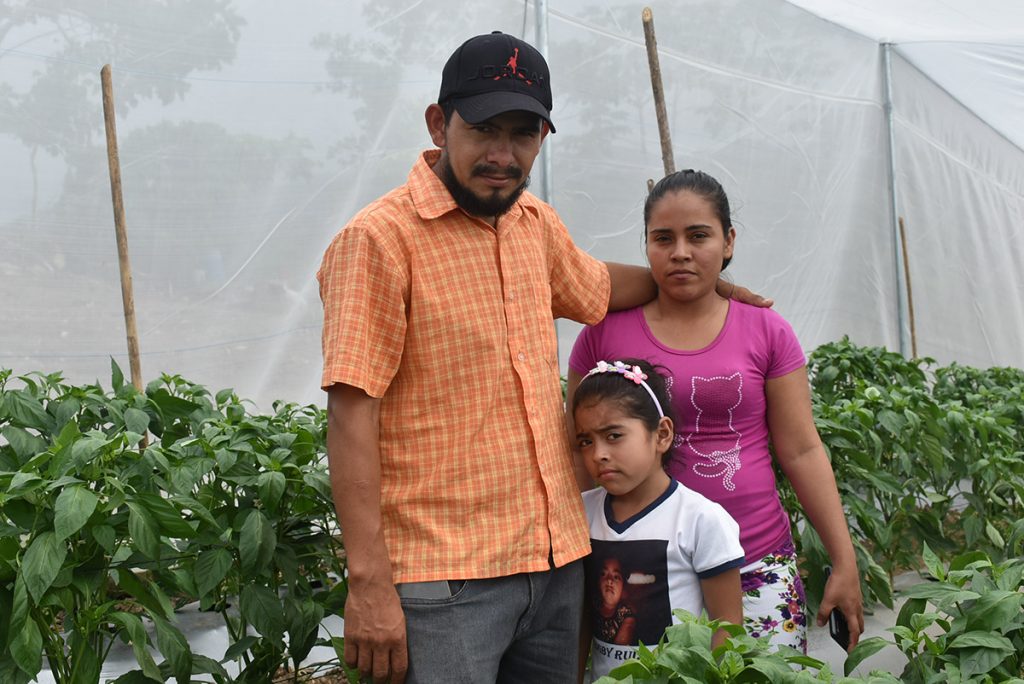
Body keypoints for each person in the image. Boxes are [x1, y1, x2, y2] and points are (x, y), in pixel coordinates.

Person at [318, 32, 768, 683]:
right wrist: (368, 584)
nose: (504, 154)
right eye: (484, 130)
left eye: (524, 134)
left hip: (554, 564)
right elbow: (351, 415)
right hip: (447, 582)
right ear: (440, 125)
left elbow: (598, 285)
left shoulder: (534, 224)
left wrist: (692, 277)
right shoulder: (379, 242)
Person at [567, 170, 864, 655]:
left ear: (728, 242)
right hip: (641, 567)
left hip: (756, 560)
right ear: (646, 246)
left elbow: (802, 448)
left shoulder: (766, 330)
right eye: (663, 238)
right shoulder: (602, 333)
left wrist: (844, 559)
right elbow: (576, 449)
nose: (680, 252)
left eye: (698, 236)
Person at [575, 359, 744, 681]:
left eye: (613, 435)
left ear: (662, 435)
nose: (598, 454)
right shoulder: (581, 514)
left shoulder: (700, 519)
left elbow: (728, 627)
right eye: (586, 441)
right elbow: (582, 617)